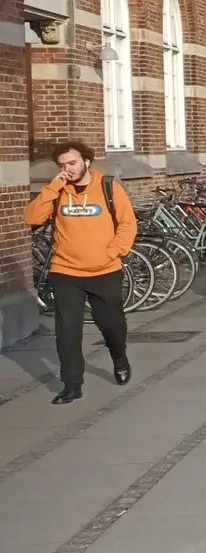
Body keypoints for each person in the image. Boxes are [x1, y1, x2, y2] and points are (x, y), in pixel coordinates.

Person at [24, 140, 136, 405]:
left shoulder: (109, 188)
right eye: (62, 165)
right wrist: (52, 188)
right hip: (66, 272)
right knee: (67, 331)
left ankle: (119, 357)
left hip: (105, 271)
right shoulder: (57, 191)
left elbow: (127, 224)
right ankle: (72, 385)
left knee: (111, 324)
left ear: (86, 161)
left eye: (72, 163)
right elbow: (31, 218)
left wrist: (112, 252)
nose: (68, 169)